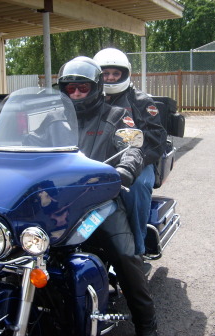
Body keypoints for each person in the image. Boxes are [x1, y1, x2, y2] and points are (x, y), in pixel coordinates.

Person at [58, 56, 158, 336]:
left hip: (100, 204)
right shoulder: (55, 118)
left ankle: (146, 323)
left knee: (126, 258)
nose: (76, 94)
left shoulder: (115, 115)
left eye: (82, 88)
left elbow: (132, 145)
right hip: (60, 202)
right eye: (70, 89)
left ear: (95, 87)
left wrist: (127, 167)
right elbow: (29, 143)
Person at [93, 48, 167, 256]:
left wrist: (135, 163)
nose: (110, 78)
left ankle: (137, 249)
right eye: (106, 73)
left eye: (115, 73)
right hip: (99, 159)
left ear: (125, 74)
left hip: (137, 162)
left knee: (137, 188)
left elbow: (155, 138)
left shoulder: (141, 101)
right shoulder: (91, 98)